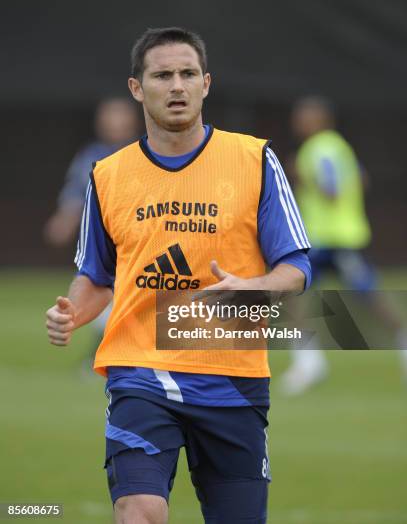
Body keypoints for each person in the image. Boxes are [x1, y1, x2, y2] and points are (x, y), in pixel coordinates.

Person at [46, 27, 311, 524]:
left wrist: (254, 287)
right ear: (136, 88)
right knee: (138, 508)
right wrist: (71, 312)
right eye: (162, 75)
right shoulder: (107, 175)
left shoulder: (255, 160)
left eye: (188, 74)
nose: (176, 86)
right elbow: (96, 277)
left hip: (232, 377)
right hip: (139, 373)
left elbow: (296, 268)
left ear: (206, 84)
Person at [278, 96, 407, 395]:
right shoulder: (338, 146)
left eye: (304, 116)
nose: (298, 121)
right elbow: (362, 178)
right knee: (294, 292)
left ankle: (400, 341)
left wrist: (300, 175)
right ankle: (309, 363)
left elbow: (332, 190)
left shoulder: (319, 150)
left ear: (321, 118)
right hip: (323, 239)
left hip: (336, 239)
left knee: (369, 297)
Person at [44, 97, 142, 247]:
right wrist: (65, 217)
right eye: (110, 115)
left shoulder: (148, 151)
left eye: (121, 115)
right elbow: (76, 190)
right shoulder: (91, 154)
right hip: (102, 233)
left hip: (142, 227)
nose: (115, 122)